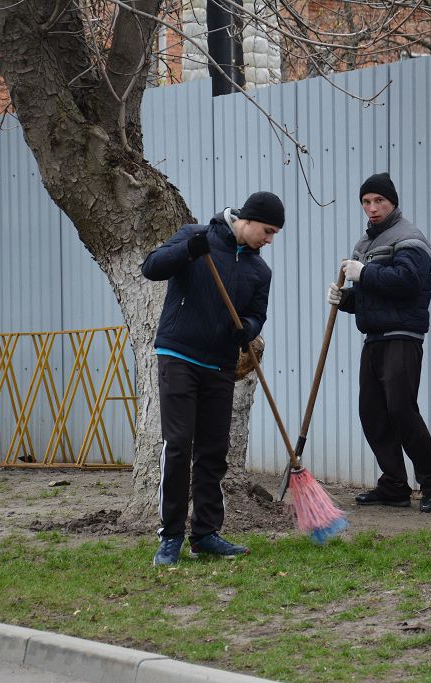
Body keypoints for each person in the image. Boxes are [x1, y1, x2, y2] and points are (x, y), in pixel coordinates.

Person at [141, 191, 285, 566]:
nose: (269, 240)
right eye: (268, 231)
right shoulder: (196, 235)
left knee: (213, 450)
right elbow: (151, 267)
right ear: (248, 220)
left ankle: (205, 534)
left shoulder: (260, 272)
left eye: (274, 234)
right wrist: (188, 250)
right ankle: (170, 536)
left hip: (220, 364)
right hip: (179, 354)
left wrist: (247, 329)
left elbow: (257, 315)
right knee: (178, 445)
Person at [327, 173, 431, 513]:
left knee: (400, 409)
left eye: (379, 200)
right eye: (366, 202)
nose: (372, 207)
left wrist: (363, 273)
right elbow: (373, 296)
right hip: (374, 338)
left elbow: (408, 282)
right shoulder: (364, 245)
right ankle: (394, 485)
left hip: (403, 336)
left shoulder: (410, 238)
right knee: (373, 412)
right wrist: (345, 299)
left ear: (392, 202)